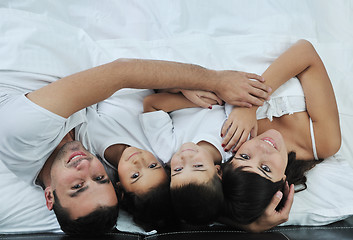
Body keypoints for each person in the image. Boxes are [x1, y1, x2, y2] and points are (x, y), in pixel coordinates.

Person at [0, 58, 272, 234]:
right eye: (99, 179)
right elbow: (161, 206)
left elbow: (122, 72)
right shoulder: (86, 161)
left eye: (77, 185)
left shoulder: (24, 134)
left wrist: (209, 81)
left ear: (49, 197)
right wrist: (244, 223)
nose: (86, 167)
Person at [220, 39, 341, 225]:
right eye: (266, 168)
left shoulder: (234, 135)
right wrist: (252, 102)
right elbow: (306, 52)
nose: (261, 149)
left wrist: (248, 108)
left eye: (244, 157)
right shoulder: (323, 142)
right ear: (283, 182)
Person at [141, 89, 227, 225]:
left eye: (178, 169)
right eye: (198, 166)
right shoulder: (233, 142)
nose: (186, 156)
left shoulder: (167, 151)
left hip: (183, 85)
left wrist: (201, 101)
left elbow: (151, 104)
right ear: (218, 171)